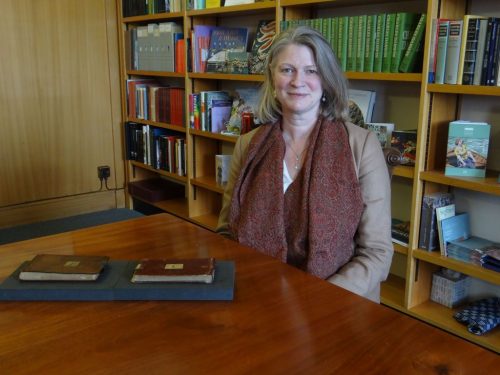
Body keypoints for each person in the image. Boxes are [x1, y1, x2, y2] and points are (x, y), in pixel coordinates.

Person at [216, 26, 393, 303]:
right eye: (287, 70)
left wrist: (318, 297)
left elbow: (377, 252)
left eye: (311, 71)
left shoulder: (362, 147)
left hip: (336, 302)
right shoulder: (247, 145)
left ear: (327, 80)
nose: (298, 81)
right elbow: (226, 232)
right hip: (259, 296)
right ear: (273, 79)